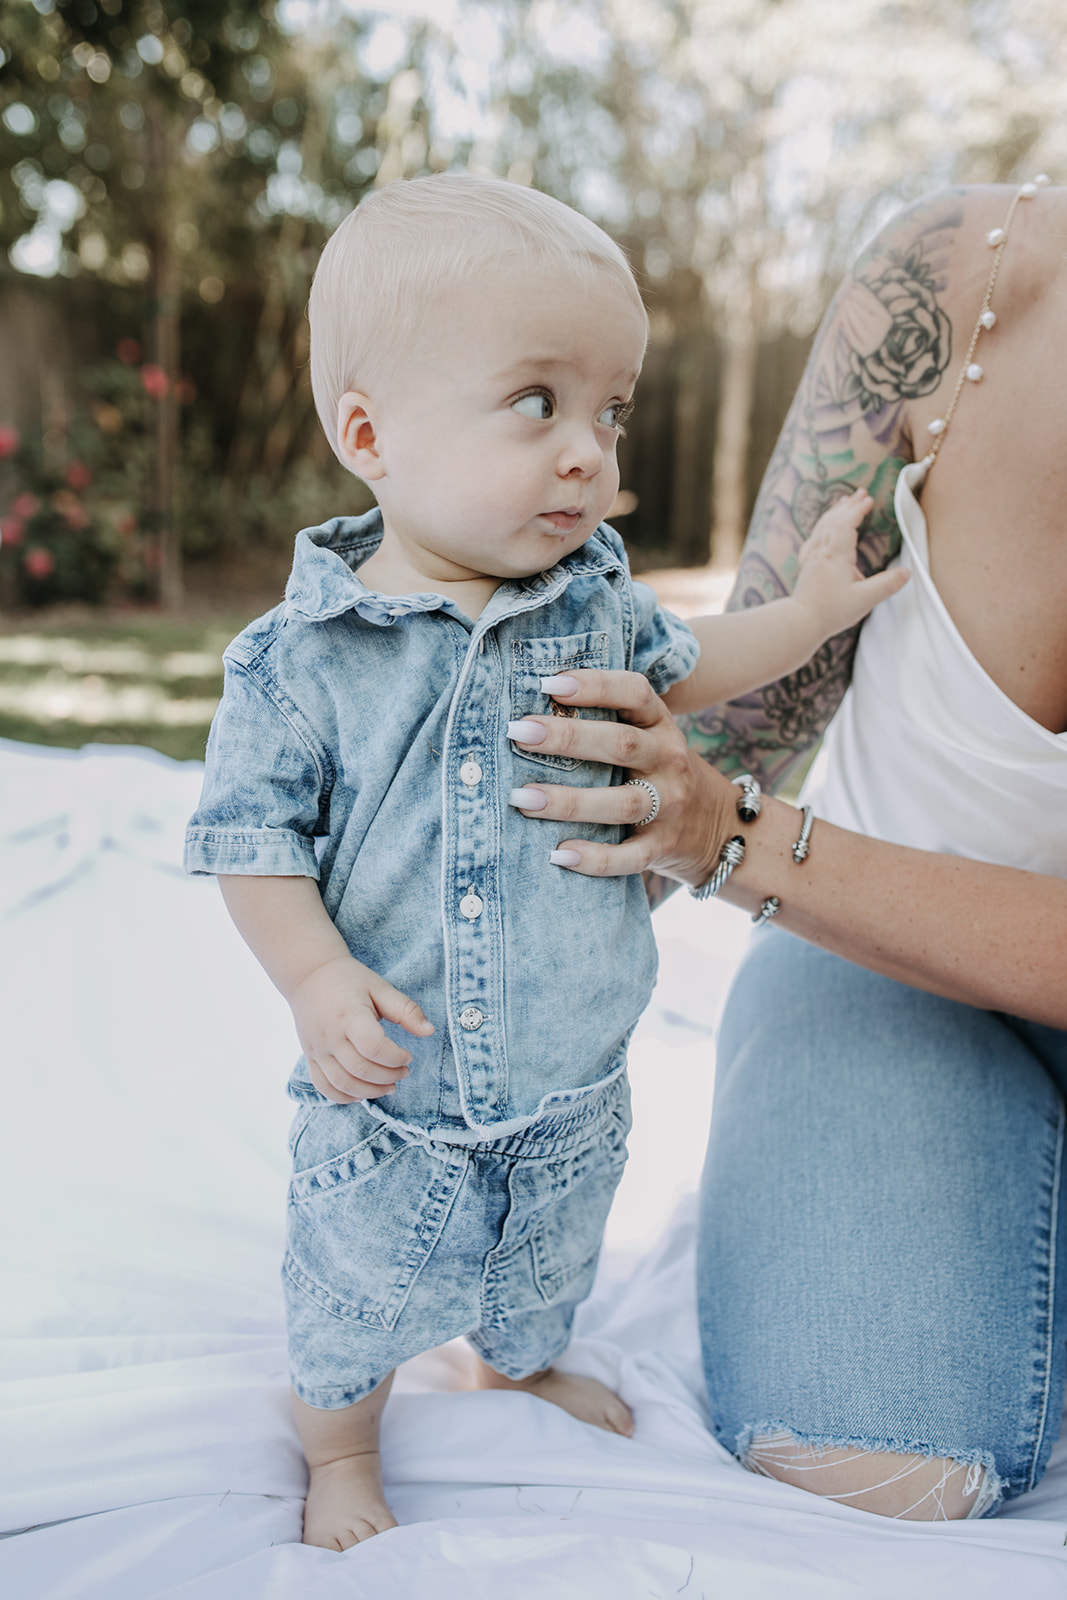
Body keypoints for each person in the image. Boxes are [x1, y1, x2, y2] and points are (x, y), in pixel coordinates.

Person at [183, 173, 904, 1551]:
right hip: (392, 1094)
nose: (590, 451)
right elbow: (250, 841)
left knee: (546, 1259)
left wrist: (810, 610)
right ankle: (339, 1446)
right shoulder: (302, 660)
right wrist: (315, 979)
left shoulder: (599, 605)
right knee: (352, 1287)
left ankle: (516, 1359)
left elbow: (701, 672)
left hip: (572, 1080)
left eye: (608, 411)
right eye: (538, 404)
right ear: (369, 433)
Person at [498, 177, 1067, 1522]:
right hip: (877, 964)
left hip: (803, 866)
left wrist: (733, 837)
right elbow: (754, 705)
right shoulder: (963, 273)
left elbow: (730, 811)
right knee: (879, 1462)